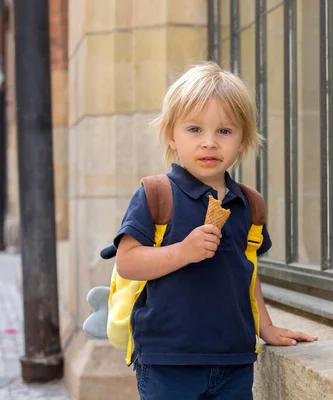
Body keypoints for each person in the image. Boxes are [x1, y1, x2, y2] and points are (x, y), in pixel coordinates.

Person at [114, 62, 318, 399]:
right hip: (168, 362)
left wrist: (265, 327)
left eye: (224, 131)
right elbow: (128, 262)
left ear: (242, 140)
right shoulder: (156, 194)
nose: (209, 143)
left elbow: (246, 271)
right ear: (171, 135)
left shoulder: (249, 203)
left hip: (234, 360)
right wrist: (183, 251)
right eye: (194, 129)